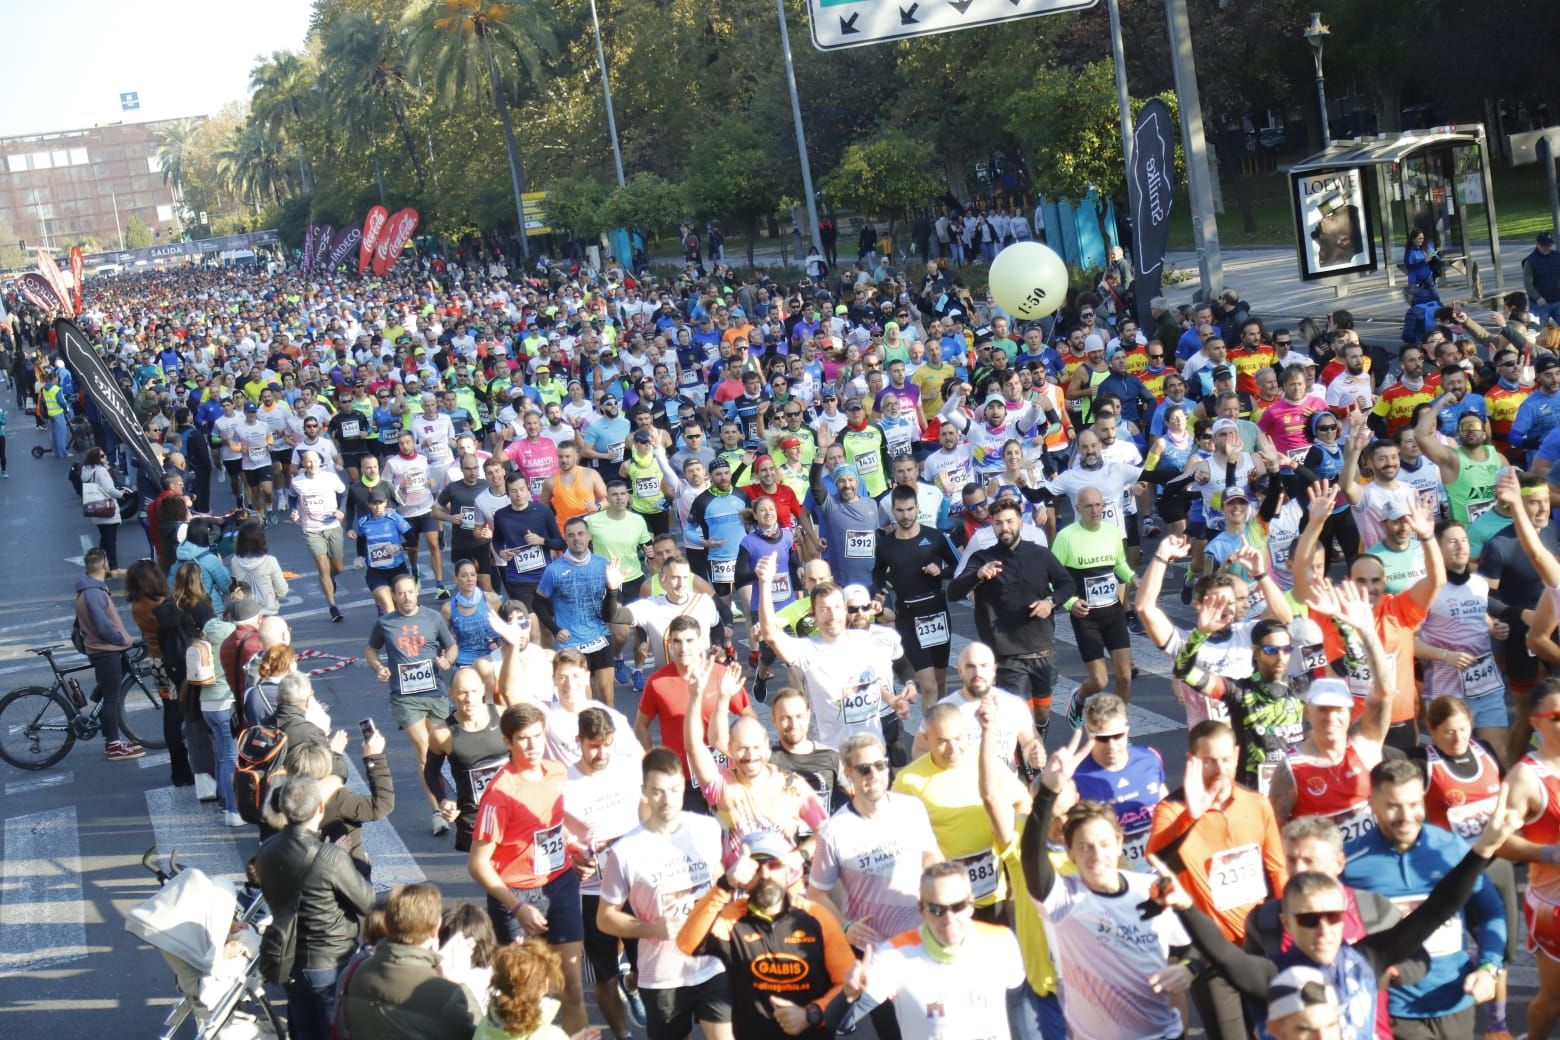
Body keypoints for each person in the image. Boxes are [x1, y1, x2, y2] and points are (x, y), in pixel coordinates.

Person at [1158, 792, 1522, 1040]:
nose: (1324, 929)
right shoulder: (1273, 973)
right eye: (1309, 920)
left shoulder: (1369, 956)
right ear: (1287, 922)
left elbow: (1438, 907)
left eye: (1333, 917)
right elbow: (1223, 954)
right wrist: (1185, 906)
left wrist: (1485, 847)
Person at [1019, 729, 1197, 1040]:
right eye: (1085, 847)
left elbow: (1191, 947)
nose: (1096, 855)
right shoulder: (1063, 900)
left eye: (1103, 844)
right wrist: (1047, 792)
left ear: (1119, 844)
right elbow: (1032, 857)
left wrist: (1187, 969)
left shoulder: (1151, 890)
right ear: (1070, 852)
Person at [1338, 758, 1506, 1038]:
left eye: (1414, 804)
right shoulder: (1349, 862)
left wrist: (1489, 967)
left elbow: (1490, 912)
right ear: (1372, 805)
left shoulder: (1451, 849)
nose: (1406, 815)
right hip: (1393, 1006)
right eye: (1393, 806)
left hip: (1455, 998)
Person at [468, 702, 589, 1036]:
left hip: (560, 883)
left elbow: (552, 827)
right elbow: (477, 865)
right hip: (517, 896)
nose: (533, 746)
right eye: (524, 739)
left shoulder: (557, 772)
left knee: (572, 987)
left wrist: (573, 847)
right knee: (527, 996)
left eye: (538, 736)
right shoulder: (499, 795)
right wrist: (517, 907)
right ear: (508, 742)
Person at [597, 747, 733, 1040]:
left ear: (683, 784)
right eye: (658, 791)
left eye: (674, 789)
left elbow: (719, 884)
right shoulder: (625, 852)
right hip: (662, 975)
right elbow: (605, 919)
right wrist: (651, 928)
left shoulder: (708, 829)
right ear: (644, 791)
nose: (668, 800)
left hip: (711, 963)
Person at [676, 833, 856, 1040]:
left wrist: (811, 1014)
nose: (765, 874)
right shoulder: (731, 920)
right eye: (756, 866)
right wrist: (724, 885)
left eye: (773, 864)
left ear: (789, 870)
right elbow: (686, 943)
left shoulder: (817, 917)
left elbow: (846, 985)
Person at [827, 860, 1024, 1040]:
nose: (949, 919)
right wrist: (849, 995)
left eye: (958, 906)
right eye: (937, 910)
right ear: (921, 909)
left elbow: (1018, 1003)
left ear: (971, 904)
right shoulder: (894, 955)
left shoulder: (1001, 941)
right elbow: (835, 1023)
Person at [253, 776, 376, 1040]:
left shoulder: (266, 851)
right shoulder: (330, 857)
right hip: (329, 961)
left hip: (288, 956)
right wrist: (355, 864)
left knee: (302, 1029)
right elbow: (367, 902)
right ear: (320, 808)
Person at [945, 497, 1076, 734]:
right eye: (998, 523)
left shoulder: (1040, 554)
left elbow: (1067, 583)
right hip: (1005, 653)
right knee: (1020, 718)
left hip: (1042, 648)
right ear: (992, 525)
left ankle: (1033, 753)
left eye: (1009, 521)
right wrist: (977, 576)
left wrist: (1051, 602)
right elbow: (953, 592)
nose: (1004, 528)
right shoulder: (982, 558)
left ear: (1020, 523)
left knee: (1041, 713)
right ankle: (1028, 768)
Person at [366, 572, 459, 834]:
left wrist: (447, 662)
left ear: (417, 592)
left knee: (444, 746)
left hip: (435, 693)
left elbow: (451, 647)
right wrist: (378, 667)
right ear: (394, 596)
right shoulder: (385, 623)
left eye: (410, 591)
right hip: (405, 697)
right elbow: (371, 650)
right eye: (401, 593)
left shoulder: (432, 618)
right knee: (424, 750)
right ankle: (437, 811)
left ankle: (456, 799)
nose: (406, 597)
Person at [337, 881, 481, 1040]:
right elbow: (480, 1034)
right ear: (435, 928)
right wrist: (460, 983)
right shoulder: (448, 994)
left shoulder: (357, 972)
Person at [873, 483, 960, 702]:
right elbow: (877, 573)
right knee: (928, 686)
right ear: (893, 510)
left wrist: (940, 572)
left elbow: (958, 566)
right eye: (900, 510)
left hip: (936, 612)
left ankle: (939, 727)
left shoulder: (935, 537)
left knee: (939, 683)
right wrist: (881, 594)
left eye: (910, 509)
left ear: (917, 508)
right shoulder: (886, 545)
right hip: (908, 617)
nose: (905, 515)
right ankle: (930, 734)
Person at [535, 516, 625, 705]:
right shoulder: (553, 570)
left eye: (581, 534)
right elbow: (538, 603)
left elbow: (611, 610)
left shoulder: (603, 565)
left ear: (589, 536)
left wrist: (612, 589)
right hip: (571, 644)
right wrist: (555, 629)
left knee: (608, 699)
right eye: (571, 535)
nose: (577, 539)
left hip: (600, 637)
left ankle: (610, 734)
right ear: (565, 540)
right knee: (583, 704)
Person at [424, 666, 509, 854]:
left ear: (482, 690)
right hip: (474, 818)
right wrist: (443, 799)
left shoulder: (503, 716)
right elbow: (430, 772)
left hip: (511, 808)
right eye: (462, 693)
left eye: (473, 691)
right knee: (488, 874)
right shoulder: (442, 733)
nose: (469, 699)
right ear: (451, 695)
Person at [75, 547, 141, 760]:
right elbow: (103, 627)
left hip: (104, 649)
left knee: (109, 692)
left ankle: (104, 715)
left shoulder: (90, 588)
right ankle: (113, 744)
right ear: (104, 564)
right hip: (105, 650)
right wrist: (123, 639)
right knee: (112, 697)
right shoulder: (93, 592)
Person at [291, 449, 347, 622]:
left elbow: (343, 493)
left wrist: (342, 511)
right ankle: (333, 606)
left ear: (320, 462)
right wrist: (294, 511)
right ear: (303, 464)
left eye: (314, 461)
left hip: (332, 525)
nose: (311, 464)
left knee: (337, 568)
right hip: (311, 528)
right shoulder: (298, 482)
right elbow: (292, 497)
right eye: (308, 462)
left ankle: (330, 579)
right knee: (323, 567)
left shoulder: (330, 478)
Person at [229, 519, 289, 613]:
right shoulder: (270, 561)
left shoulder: (234, 561)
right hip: (267, 609)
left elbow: (235, 585)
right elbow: (282, 590)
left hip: (245, 611)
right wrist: (273, 597)